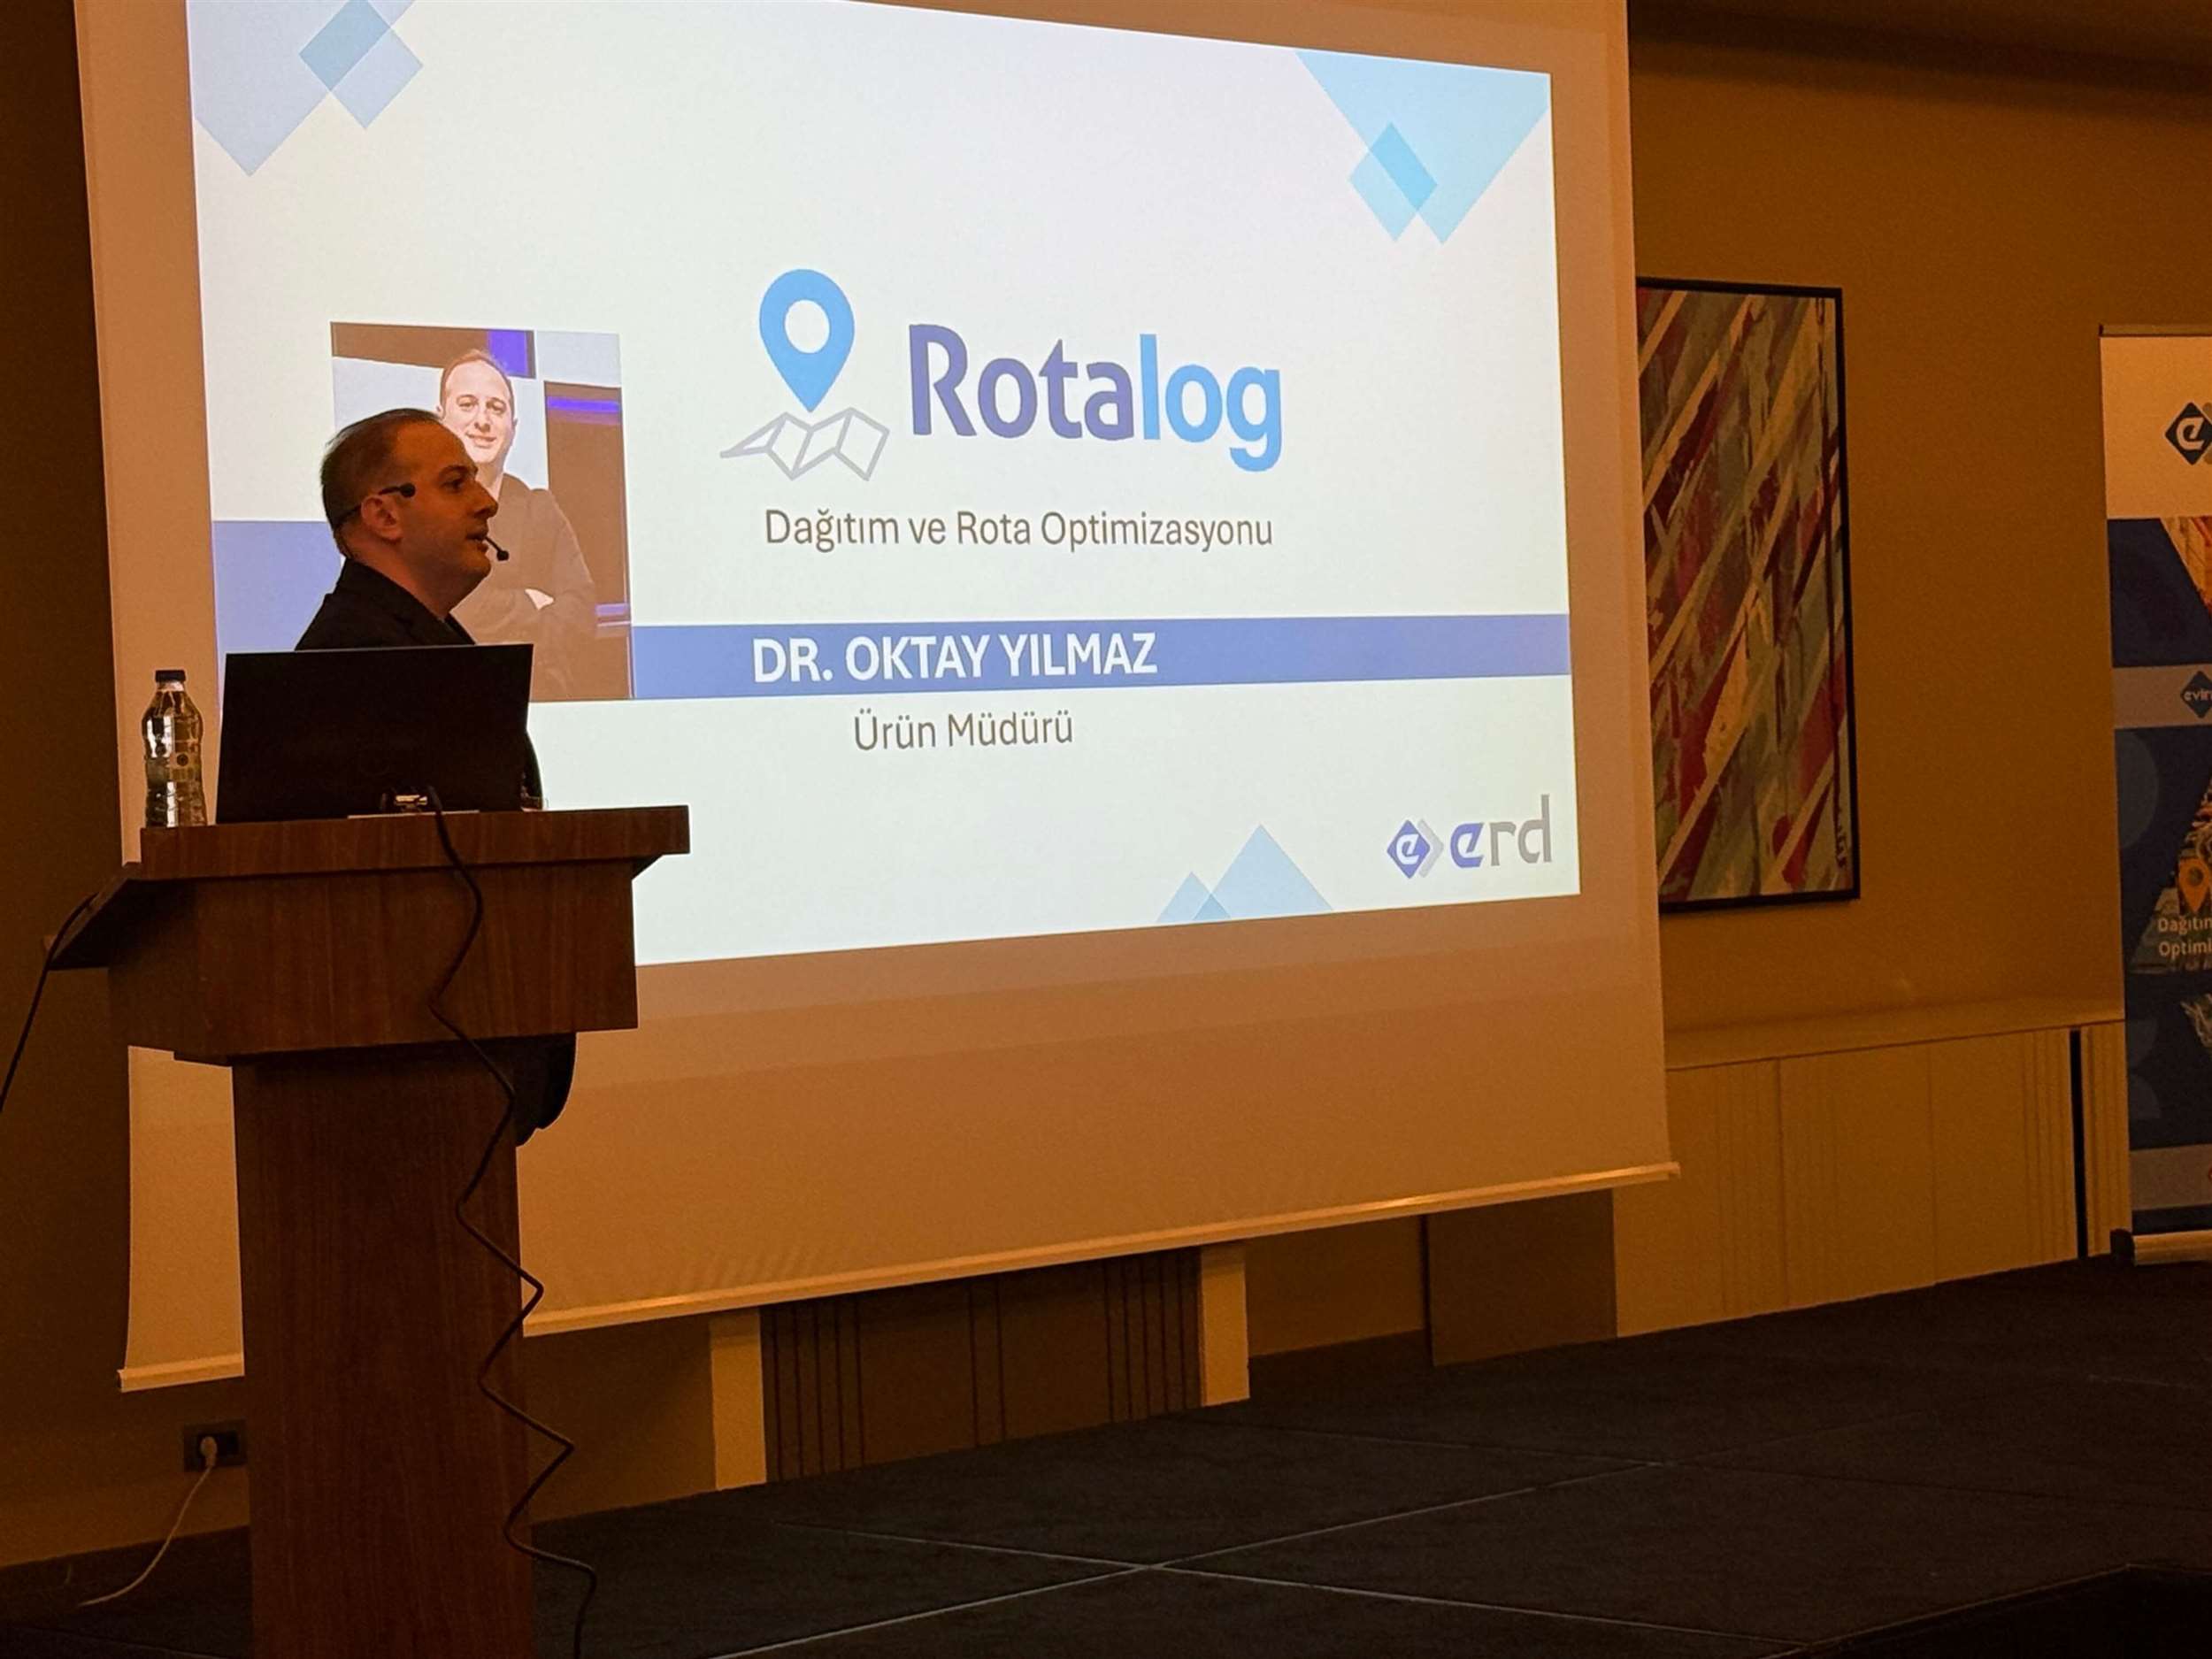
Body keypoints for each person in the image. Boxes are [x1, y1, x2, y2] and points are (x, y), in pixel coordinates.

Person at [298, 407, 573, 1142]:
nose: (486, 502)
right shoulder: (355, 660)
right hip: (402, 1079)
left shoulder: (426, 641)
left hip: (455, 1063)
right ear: (383, 514)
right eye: (456, 484)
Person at [437, 349, 599, 700]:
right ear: (440, 419)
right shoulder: (419, 511)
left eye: (496, 408)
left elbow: (581, 613)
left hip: (538, 698)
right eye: (467, 404)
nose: (483, 420)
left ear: (514, 428)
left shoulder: (541, 510)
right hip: (447, 699)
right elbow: (448, 608)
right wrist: (528, 603)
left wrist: (494, 618)